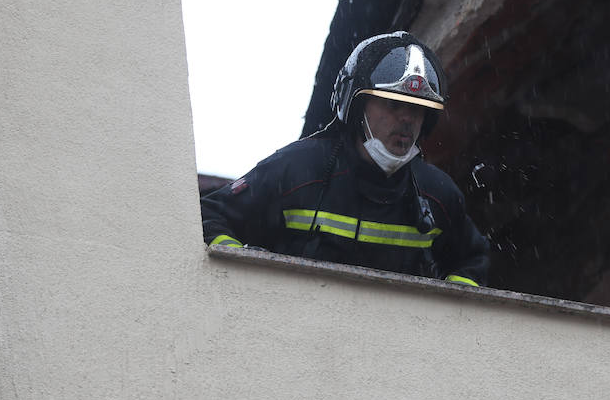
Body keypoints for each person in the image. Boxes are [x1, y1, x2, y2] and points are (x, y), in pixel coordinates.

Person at [200, 31, 490, 287]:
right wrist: (242, 277)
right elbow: (208, 215)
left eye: (417, 109)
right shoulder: (296, 170)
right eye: (393, 104)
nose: (407, 120)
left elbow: (473, 261)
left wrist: (450, 312)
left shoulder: (438, 193)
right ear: (356, 105)